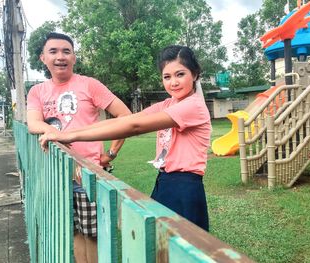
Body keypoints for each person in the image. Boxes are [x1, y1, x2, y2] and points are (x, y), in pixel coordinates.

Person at [40, 45, 212, 231]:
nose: (173, 82)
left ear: (194, 74)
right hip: (164, 181)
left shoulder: (193, 106)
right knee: (161, 248)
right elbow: (128, 119)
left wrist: (69, 135)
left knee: (183, 250)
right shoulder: (168, 104)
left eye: (180, 74)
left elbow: (134, 127)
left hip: (185, 186)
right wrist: (66, 134)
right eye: (167, 77)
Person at [27, 32, 131, 263]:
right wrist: (53, 132)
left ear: (74, 57)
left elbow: (124, 116)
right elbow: (34, 122)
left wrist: (111, 153)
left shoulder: (89, 85)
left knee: (93, 236)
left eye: (66, 51)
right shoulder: (37, 91)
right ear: (42, 58)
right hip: (55, 175)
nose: (60, 56)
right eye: (53, 51)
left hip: (86, 176)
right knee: (73, 232)